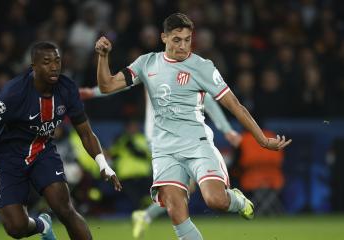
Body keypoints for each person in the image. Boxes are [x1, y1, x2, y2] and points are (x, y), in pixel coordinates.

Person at [95, 13, 291, 240]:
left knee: (215, 200)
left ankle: (236, 199)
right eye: (177, 40)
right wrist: (103, 57)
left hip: (197, 144)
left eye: (187, 39)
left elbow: (235, 105)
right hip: (164, 149)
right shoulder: (147, 63)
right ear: (164, 38)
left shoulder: (202, 66)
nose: (183, 45)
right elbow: (107, 86)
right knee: (175, 209)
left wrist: (263, 140)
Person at [0, 41, 122, 240]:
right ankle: (43, 226)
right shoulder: (14, 93)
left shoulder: (67, 89)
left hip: (42, 152)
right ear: (34, 66)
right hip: (8, 159)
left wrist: (103, 164)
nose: (54, 66)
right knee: (16, 227)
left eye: (57, 61)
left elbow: (85, 132)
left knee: (65, 209)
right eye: (47, 62)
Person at [80, 85, 242, 239]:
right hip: (165, 141)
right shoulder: (153, 68)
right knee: (182, 192)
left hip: (166, 140)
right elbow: (116, 83)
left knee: (181, 192)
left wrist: (91, 92)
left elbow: (116, 84)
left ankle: (145, 216)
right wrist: (92, 92)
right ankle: (147, 215)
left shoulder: (182, 73)